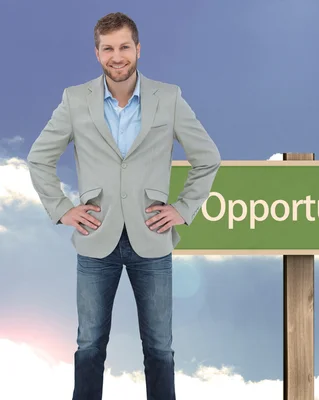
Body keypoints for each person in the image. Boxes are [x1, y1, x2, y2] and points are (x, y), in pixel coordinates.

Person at [26, 12, 221, 400]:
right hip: (96, 239)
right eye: (108, 48)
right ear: (97, 53)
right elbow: (38, 158)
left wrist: (183, 208)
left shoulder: (168, 97)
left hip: (152, 238)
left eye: (124, 47)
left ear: (138, 49)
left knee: (160, 350)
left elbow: (208, 156)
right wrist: (63, 208)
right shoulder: (74, 99)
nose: (117, 56)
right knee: (90, 347)